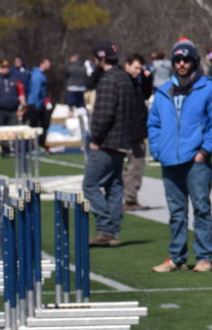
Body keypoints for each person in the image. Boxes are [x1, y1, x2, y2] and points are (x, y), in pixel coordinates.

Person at [147, 38, 212, 273]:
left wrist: (205, 151)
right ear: (173, 62)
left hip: (196, 160)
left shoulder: (208, 88)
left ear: (194, 61)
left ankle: (204, 257)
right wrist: (158, 150)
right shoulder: (163, 92)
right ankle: (177, 257)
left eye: (186, 59)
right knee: (176, 212)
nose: (182, 63)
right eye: (178, 60)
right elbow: (154, 124)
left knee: (201, 208)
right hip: (170, 159)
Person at [84, 42, 140, 248]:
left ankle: (106, 226)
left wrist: (95, 138)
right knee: (114, 186)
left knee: (89, 184)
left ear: (101, 59)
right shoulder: (124, 78)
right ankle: (111, 231)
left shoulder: (108, 80)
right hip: (122, 141)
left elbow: (104, 114)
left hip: (107, 141)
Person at [122, 53, 153, 212]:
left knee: (132, 166)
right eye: (136, 68)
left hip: (135, 130)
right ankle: (129, 198)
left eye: (140, 68)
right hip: (132, 131)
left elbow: (145, 95)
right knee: (135, 166)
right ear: (127, 65)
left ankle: (129, 196)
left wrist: (148, 79)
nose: (138, 71)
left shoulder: (134, 82)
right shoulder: (125, 82)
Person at [0, 59, 26, 157]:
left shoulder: (14, 80)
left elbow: (21, 92)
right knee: (1, 130)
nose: (5, 70)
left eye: (7, 68)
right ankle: (5, 149)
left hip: (12, 109)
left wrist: (23, 105)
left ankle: (17, 148)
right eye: (3, 68)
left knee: (14, 129)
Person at [25, 58, 52, 150]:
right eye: (48, 63)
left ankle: (39, 144)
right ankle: (33, 145)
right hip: (35, 104)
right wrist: (37, 105)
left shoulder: (41, 75)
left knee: (42, 125)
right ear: (42, 64)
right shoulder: (37, 75)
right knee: (34, 125)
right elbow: (35, 91)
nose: (50, 64)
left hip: (39, 103)